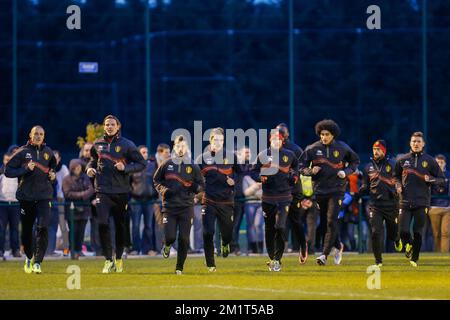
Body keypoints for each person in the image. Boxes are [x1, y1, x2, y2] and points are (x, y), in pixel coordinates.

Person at [86, 115, 146, 273]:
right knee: (103, 224)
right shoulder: (98, 143)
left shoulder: (127, 144)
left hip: (121, 192)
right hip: (102, 191)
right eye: (107, 124)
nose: (109, 127)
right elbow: (92, 160)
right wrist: (89, 168)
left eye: (112, 124)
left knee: (120, 227)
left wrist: (125, 168)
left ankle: (118, 258)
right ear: (104, 127)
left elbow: (142, 163)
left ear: (118, 126)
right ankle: (107, 260)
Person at [299, 119, 360, 266]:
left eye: (327, 134)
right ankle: (338, 246)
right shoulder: (312, 148)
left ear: (333, 135)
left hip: (337, 190)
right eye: (321, 134)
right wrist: (309, 171)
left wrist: (345, 172)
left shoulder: (342, 147)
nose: (324, 137)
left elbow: (355, 161)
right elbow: (300, 165)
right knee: (326, 223)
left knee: (332, 220)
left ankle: (324, 255)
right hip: (320, 191)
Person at [5, 125, 57, 273]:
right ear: (30, 135)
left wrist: (52, 175)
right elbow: (7, 170)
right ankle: (29, 257)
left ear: (44, 136)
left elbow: (53, 165)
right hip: (26, 197)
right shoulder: (22, 152)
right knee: (27, 231)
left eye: (41, 134)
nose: (38, 136)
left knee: (43, 227)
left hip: (44, 196)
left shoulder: (48, 152)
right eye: (36, 134)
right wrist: (26, 169)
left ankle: (38, 263)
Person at [153, 135, 204, 274]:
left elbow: (201, 186)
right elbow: (156, 180)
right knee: (170, 237)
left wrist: (195, 189)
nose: (181, 149)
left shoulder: (193, 166)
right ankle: (167, 246)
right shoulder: (166, 164)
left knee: (184, 239)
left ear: (187, 148)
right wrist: (163, 190)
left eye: (183, 146)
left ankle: (179, 267)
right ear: (174, 148)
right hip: (169, 207)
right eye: (178, 146)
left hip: (186, 207)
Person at [394, 132, 445, 267]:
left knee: (418, 231)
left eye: (418, 141)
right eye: (413, 141)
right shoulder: (402, 160)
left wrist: (431, 179)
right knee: (403, 231)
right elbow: (395, 177)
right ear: (410, 143)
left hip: (422, 202)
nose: (416, 144)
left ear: (423, 144)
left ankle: (414, 259)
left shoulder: (430, 161)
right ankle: (409, 245)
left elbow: (441, 180)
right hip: (404, 201)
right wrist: (398, 185)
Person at [196, 128, 243, 272]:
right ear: (210, 141)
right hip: (209, 200)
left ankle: (225, 242)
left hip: (226, 201)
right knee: (208, 232)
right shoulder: (201, 158)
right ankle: (210, 263)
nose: (218, 143)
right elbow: (194, 178)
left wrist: (234, 181)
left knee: (228, 232)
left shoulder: (231, 156)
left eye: (221, 140)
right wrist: (198, 192)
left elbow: (240, 173)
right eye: (215, 140)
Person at [253, 131, 299, 271]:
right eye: (273, 140)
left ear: (282, 141)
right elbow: (254, 172)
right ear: (269, 141)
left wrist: (294, 176)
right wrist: (260, 177)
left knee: (280, 226)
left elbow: (296, 168)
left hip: (284, 197)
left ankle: (278, 259)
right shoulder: (262, 155)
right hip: (268, 197)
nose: (276, 142)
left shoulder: (290, 154)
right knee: (269, 227)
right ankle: (271, 256)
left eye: (278, 140)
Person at [359, 140, 402, 266]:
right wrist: (359, 192)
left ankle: (397, 239)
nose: (376, 151)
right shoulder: (368, 167)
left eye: (378, 149)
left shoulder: (393, 165)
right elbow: (366, 186)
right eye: (374, 149)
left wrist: (398, 188)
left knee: (392, 233)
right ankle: (378, 261)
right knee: (375, 232)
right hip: (375, 205)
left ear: (384, 150)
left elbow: (399, 180)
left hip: (391, 205)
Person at [275, 123, 307, 260]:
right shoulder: (271, 150)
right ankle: (277, 255)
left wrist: (291, 176)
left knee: (295, 221)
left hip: (293, 190)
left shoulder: (295, 150)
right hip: (277, 192)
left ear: (286, 135)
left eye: (281, 133)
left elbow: (301, 168)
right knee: (278, 224)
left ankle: (303, 246)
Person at [62, 159, 95, 259]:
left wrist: (83, 195)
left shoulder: (85, 177)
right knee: (73, 230)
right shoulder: (67, 179)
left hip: (85, 209)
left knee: (81, 231)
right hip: (72, 209)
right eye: (76, 167)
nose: (78, 169)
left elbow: (91, 189)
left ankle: (79, 250)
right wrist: (83, 195)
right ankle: (72, 250)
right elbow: (67, 193)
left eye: (79, 167)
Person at [130, 145, 158, 255]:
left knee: (149, 226)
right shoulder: (132, 166)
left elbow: (156, 182)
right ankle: (136, 249)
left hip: (149, 200)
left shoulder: (152, 166)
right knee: (135, 226)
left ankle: (148, 249)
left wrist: (154, 194)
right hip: (135, 200)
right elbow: (128, 183)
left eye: (146, 152)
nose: (145, 154)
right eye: (142, 152)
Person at [230, 146, 252, 255]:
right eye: (246, 152)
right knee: (234, 224)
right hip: (236, 199)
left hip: (245, 199)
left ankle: (246, 247)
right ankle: (233, 247)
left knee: (240, 225)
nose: (248, 154)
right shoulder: (235, 166)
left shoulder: (251, 166)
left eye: (249, 152)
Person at [0, 152, 20, 258]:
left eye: (9, 160)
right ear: (3, 161)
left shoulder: (17, 172)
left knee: (15, 229)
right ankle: (1, 250)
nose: (7, 162)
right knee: (2, 229)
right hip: (2, 204)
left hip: (15, 204)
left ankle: (15, 250)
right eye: (6, 160)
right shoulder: (1, 173)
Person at [428, 154, 450, 253]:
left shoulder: (449, 175)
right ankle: (437, 255)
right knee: (436, 234)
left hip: (447, 208)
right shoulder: (430, 176)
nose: (439, 164)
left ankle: (444, 255)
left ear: (445, 164)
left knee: (445, 233)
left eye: (441, 162)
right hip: (433, 208)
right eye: (437, 162)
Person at [242, 173, 264, 254]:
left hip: (260, 203)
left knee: (258, 225)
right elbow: (246, 192)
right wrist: (256, 186)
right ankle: (253, 248)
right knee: (251, 225)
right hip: (250, 203)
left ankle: (260, 247)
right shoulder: (247, 177)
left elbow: (264, 192)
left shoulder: (263, 176)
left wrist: (255, 190)